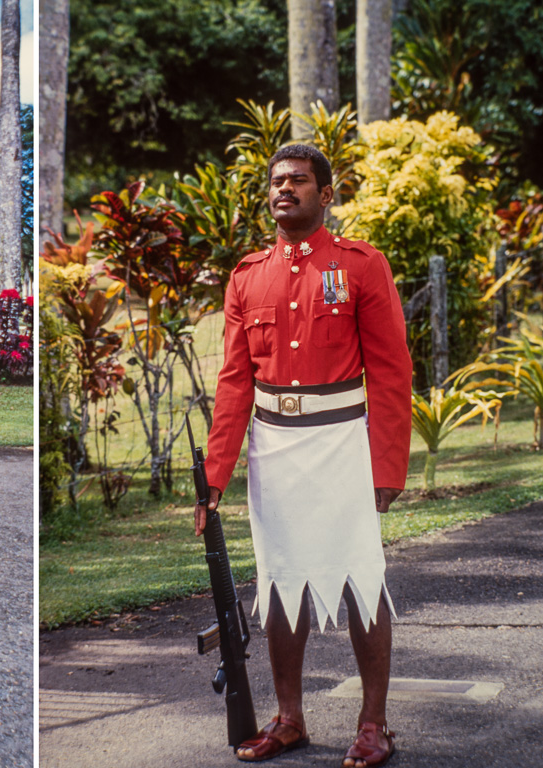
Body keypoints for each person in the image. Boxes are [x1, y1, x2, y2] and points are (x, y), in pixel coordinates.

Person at [194, 143, 411, 768]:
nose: (284, 189)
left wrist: (386, 466)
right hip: (274, 447)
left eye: (299, 180)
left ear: (326, 194)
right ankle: (289, 719)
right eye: (277, 181)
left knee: (361, 582)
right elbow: (235, 381)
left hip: (343, 441)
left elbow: (392, 373)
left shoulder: (362, 266)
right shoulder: (247, 275)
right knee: (279, 583)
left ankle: (374, 725)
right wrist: (216, 477)